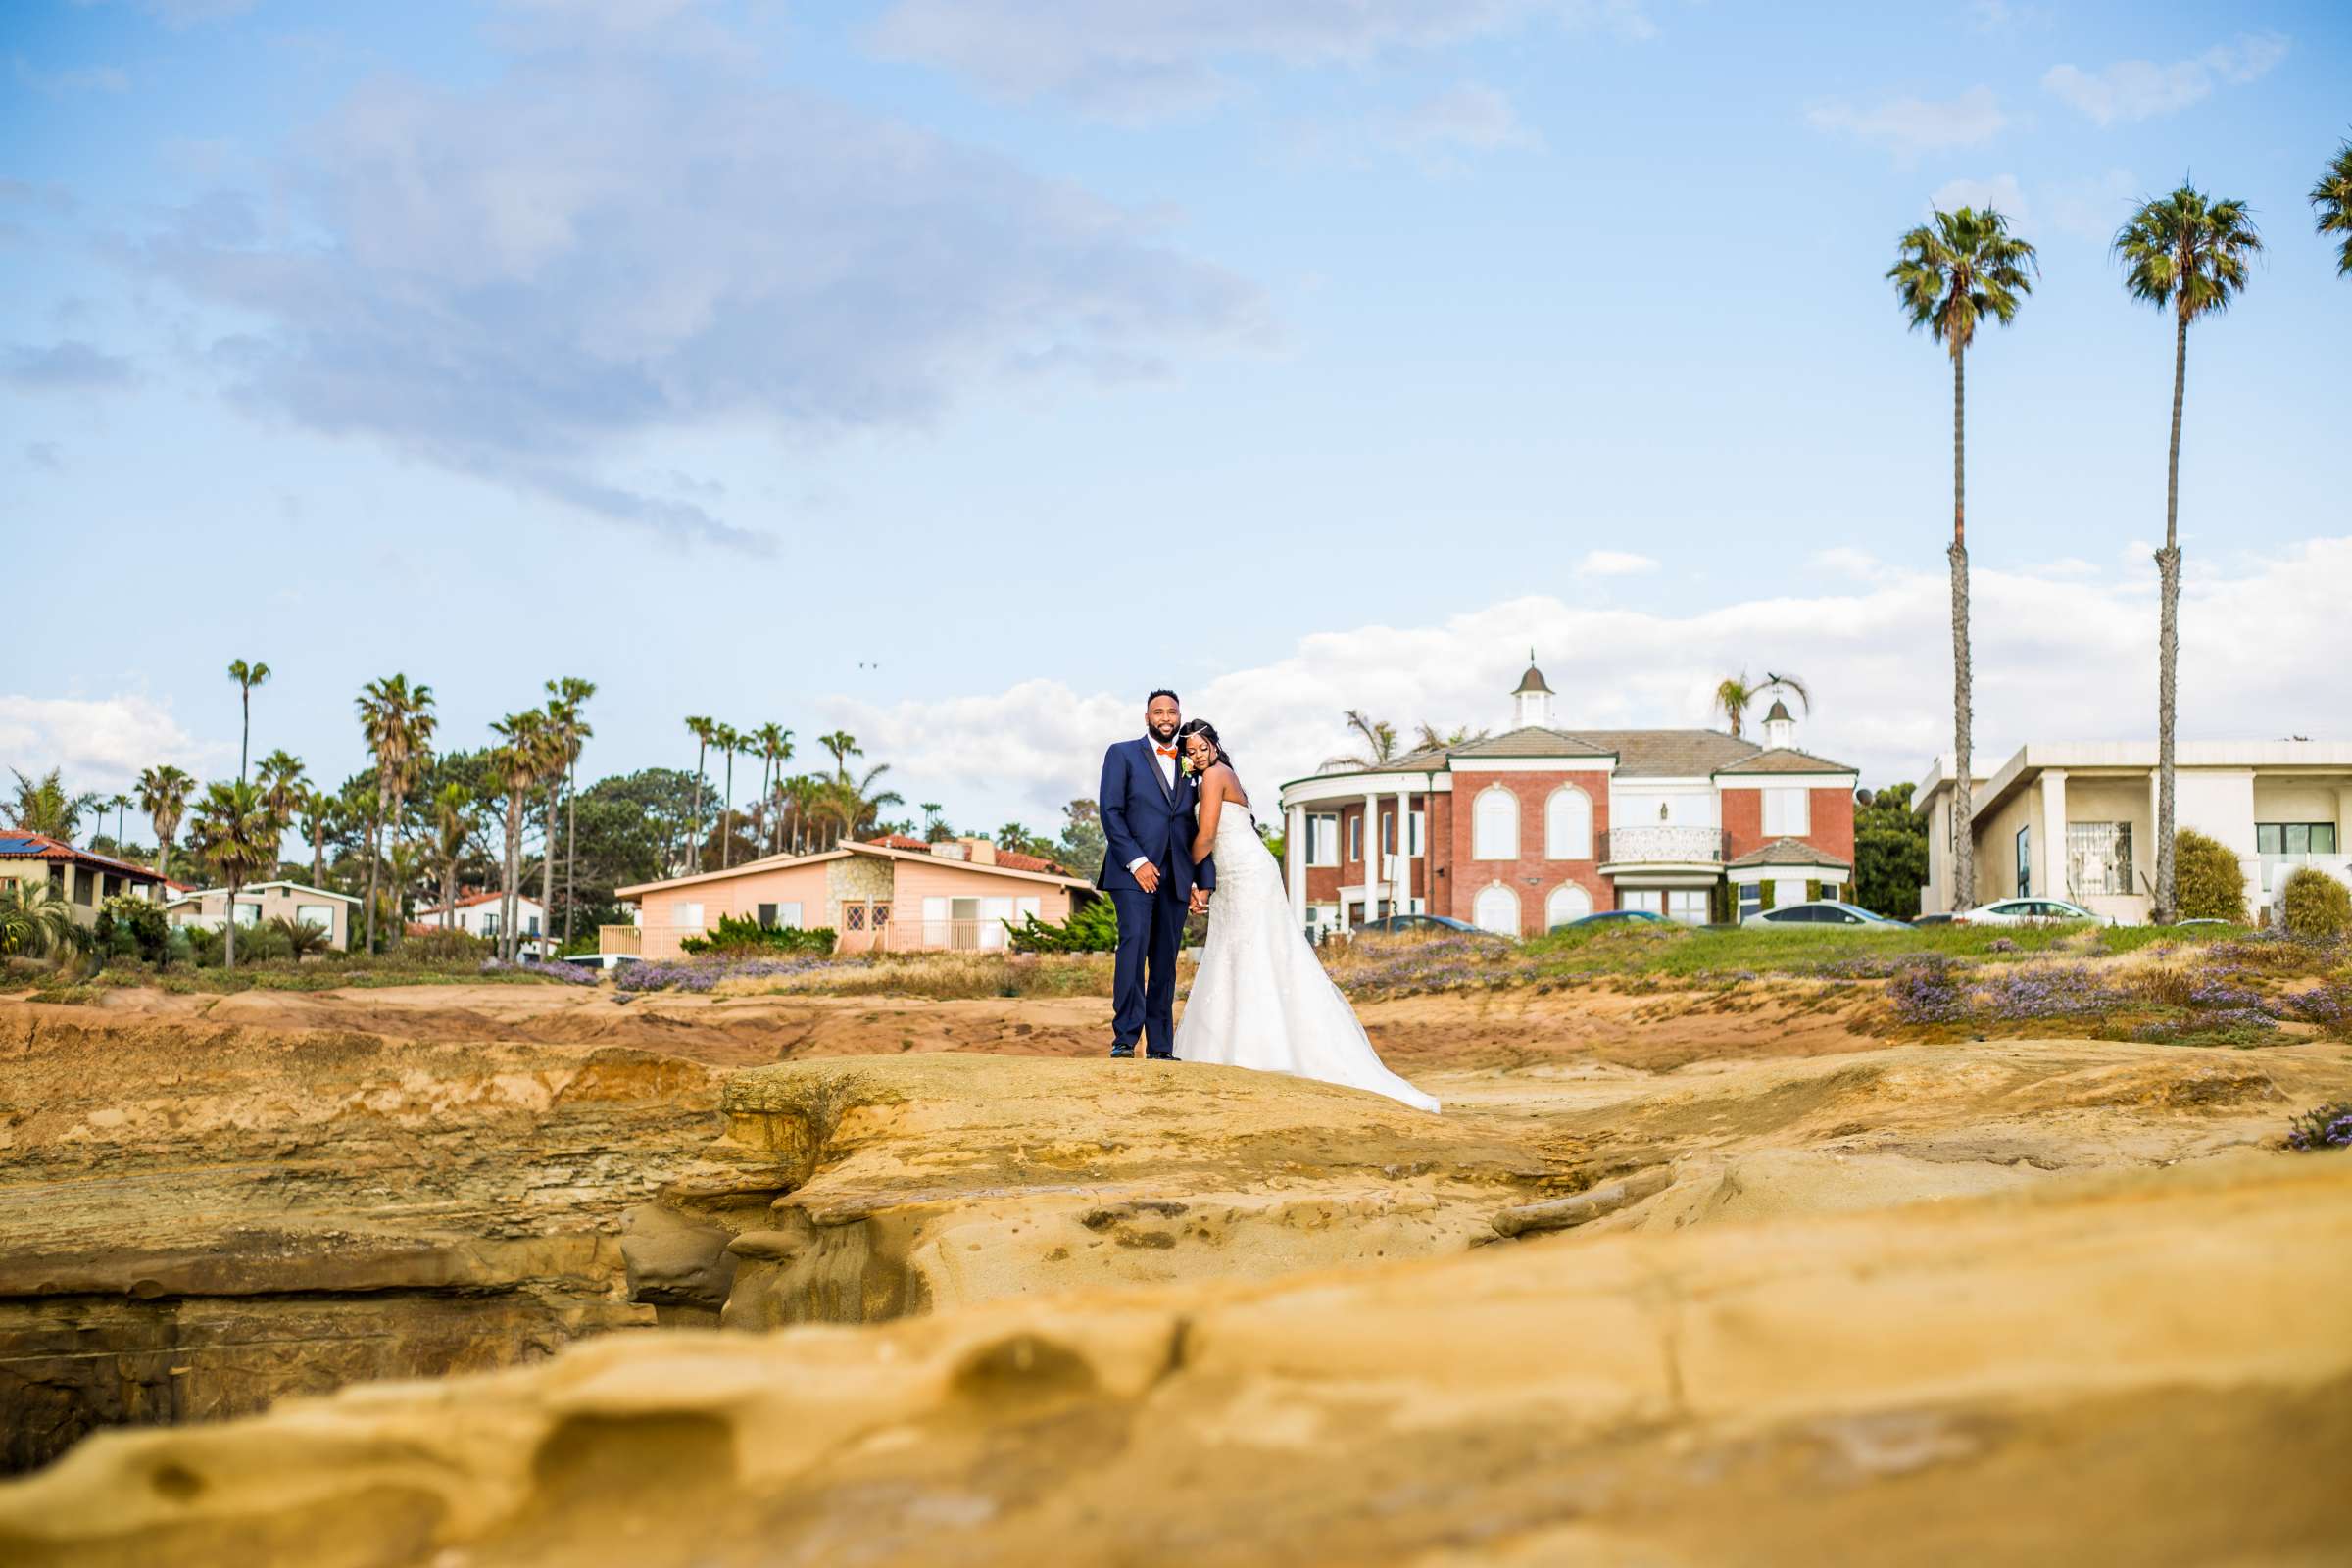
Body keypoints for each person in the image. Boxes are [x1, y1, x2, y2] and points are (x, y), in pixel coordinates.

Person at [1170, 719, 1439, 1112]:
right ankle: (1233, 1048)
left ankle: (1260, 1052)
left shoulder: (1215, 776)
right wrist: (1205, 883)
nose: (1196, 755)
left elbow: (1207, 836)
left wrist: (1183, 874)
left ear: (1214, 745)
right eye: (1189, 751)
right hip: (1232, 877)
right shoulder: (1213, 777)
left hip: (1247, 873)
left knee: (1255, 952)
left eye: (1201, 747)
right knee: (1232, 952)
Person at [1096, 689, 1214, 1059]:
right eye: (1158, 712)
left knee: (1165, 960)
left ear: (1180, 717)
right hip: (1131, 873)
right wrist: (1137, 862)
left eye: (1172, 712)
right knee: (1132, 950)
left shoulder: (1190, 760)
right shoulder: (1121, 753)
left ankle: (1161, 1046)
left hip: (1178, 876)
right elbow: (1110, 812)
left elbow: (1201, 827)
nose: (1166, 718)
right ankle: (1125, 1039)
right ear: (1147, 717)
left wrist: (1203, 880)